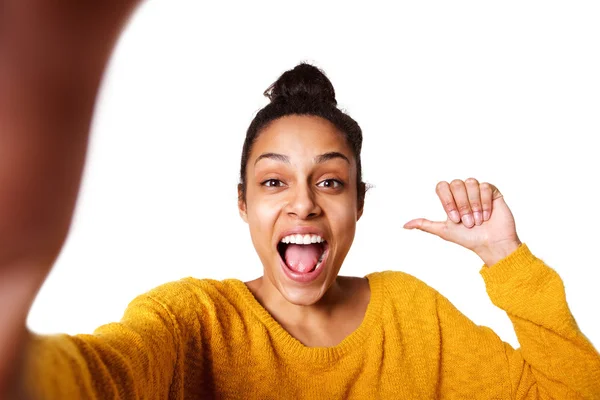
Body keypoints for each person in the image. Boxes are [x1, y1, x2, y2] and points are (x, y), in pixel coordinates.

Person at [1, 3, 599, 400]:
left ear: (359, 204)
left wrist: (506, 258)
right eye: (273, 181)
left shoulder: (410, 314)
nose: (305, 205)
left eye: (331, 182)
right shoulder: (195, 323)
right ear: (243, 203)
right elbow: (97, 378)